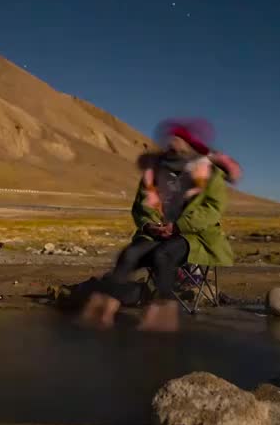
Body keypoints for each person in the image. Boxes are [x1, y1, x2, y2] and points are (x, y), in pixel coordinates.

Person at [81, 119, 240, 331]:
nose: (174, 141)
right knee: (129, 254)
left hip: (193, 235)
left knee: (163, 255)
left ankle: (163, 312)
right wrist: (148, 225)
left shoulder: (209, 173)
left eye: (180, 138)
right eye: (172, 137)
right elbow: (141, 205)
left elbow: (212, 209)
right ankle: (104, 307)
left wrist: (178, 226)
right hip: (157, 233)